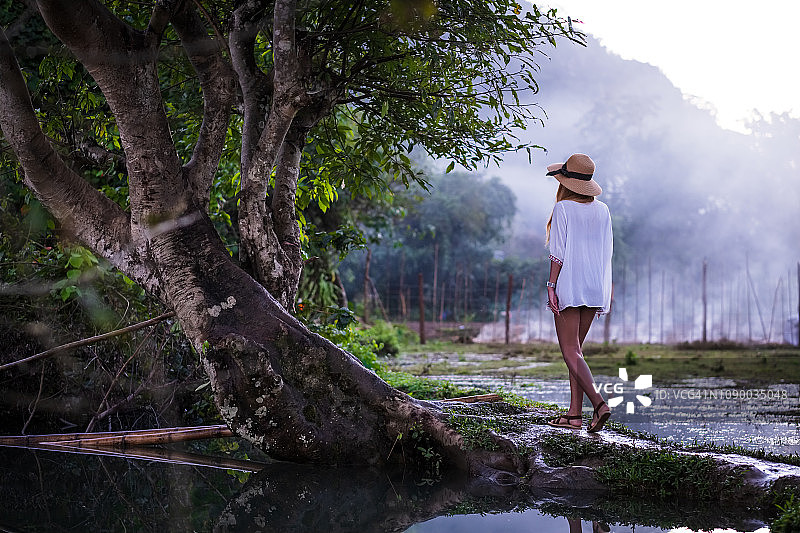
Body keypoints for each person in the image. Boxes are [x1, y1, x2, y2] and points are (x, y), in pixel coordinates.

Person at [544, 153, 613, 433]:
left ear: (566, 183)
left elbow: (558, 254)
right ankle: (574, 415)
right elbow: (607, 253)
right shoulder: (603, 210)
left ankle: (598, 403)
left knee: (570, 350)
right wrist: (605, 290)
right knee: (577, 351)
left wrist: (551, 286)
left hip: (570, 284)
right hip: (594, 285)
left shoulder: (563, 209)